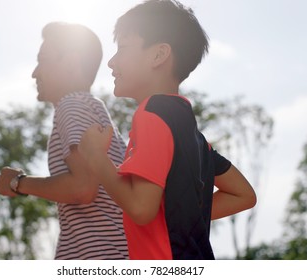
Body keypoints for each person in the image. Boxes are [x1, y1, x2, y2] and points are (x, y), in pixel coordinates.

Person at [78, 0, 257, 260]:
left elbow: (140, 208)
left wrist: (95, 157)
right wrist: (176, 216)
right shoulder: (193, 135)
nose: (111, 62)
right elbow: (243, 195)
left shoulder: (152, 114)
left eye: (123, 48)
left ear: (159, 55)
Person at [0, 22, 128, 260]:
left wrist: (18, 182)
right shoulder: (94, 109)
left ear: (70, 63)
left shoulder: (72, 105)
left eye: (43, 59)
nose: (35, 72)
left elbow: (82, 188)